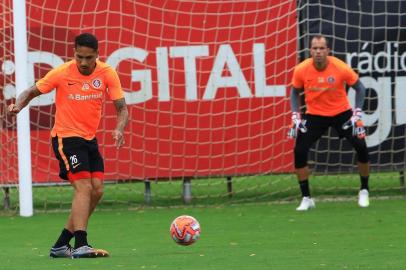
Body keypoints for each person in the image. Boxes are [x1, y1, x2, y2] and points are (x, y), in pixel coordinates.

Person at [8, 33, 129, 257]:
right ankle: (82, 244)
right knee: (84, 188)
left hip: (89, 139)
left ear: (97, 56)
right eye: (79, 57)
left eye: (88, 58)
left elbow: (122, 108)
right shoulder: (62, 72)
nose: (83, 62)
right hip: (66, 138)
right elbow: (30, 91)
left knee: (97, 191)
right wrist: (18, 105)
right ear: (74, 53)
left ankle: (61, 245)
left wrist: (119, 128)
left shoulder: (107, 73)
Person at [288, 34, 370, 211]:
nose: (318, 52)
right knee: (299, 150)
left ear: (328, 50)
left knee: (361, 146)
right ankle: (306, 198)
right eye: (315, 48)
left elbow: (360, 88)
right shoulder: (301, 69)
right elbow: (294, 92)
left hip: (341, 113)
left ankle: (364, 190)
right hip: (315, 115)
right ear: (310, 51)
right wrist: (295, 115)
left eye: (321, 48)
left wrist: (356, 113)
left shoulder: (340, 67)